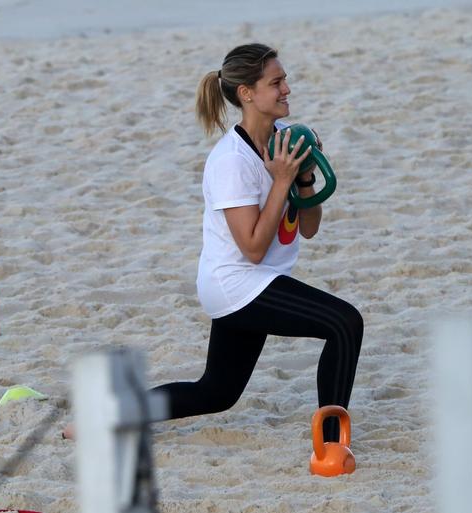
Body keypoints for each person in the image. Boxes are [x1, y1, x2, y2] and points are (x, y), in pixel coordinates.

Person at [63, 43, 362, 443]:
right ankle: (330, 444)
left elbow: (308, 227)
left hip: (259, 278)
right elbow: (252, 248)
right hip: (236, 281)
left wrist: (303, 175)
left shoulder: (283, 142)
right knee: (344, 323)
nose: (287, 88)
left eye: (285, 79)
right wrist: (281, 180)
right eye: (276, 82)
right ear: (247, 93)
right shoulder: (231, 162)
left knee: (217, 392)